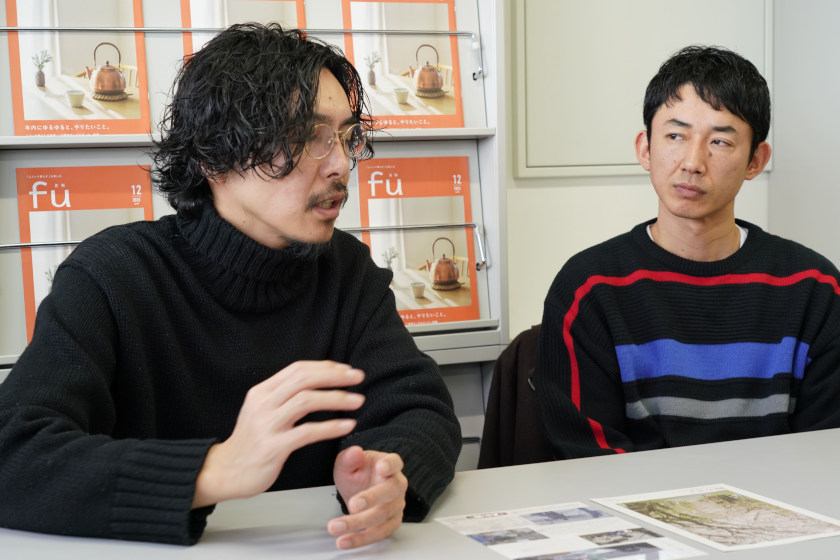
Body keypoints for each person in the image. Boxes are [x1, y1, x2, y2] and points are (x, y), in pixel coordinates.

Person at [0, 23, 461, 548]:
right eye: (309, 136)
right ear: (214, 157)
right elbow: (13, 453)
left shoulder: (345, 271)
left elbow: (420, 409)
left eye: (345, 136)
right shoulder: (113, 275)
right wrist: (217, 468)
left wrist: (385, 472)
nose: (341, 164)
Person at [534, 45, 840, 460]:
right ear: (645, 148)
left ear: (756, 160)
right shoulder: (589, 288)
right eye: (675, 136)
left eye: (720, 141)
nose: (693, 162)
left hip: (779, 500)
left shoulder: (814, 287)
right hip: (636, 502)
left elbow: (825, 454)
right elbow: (586, 460)